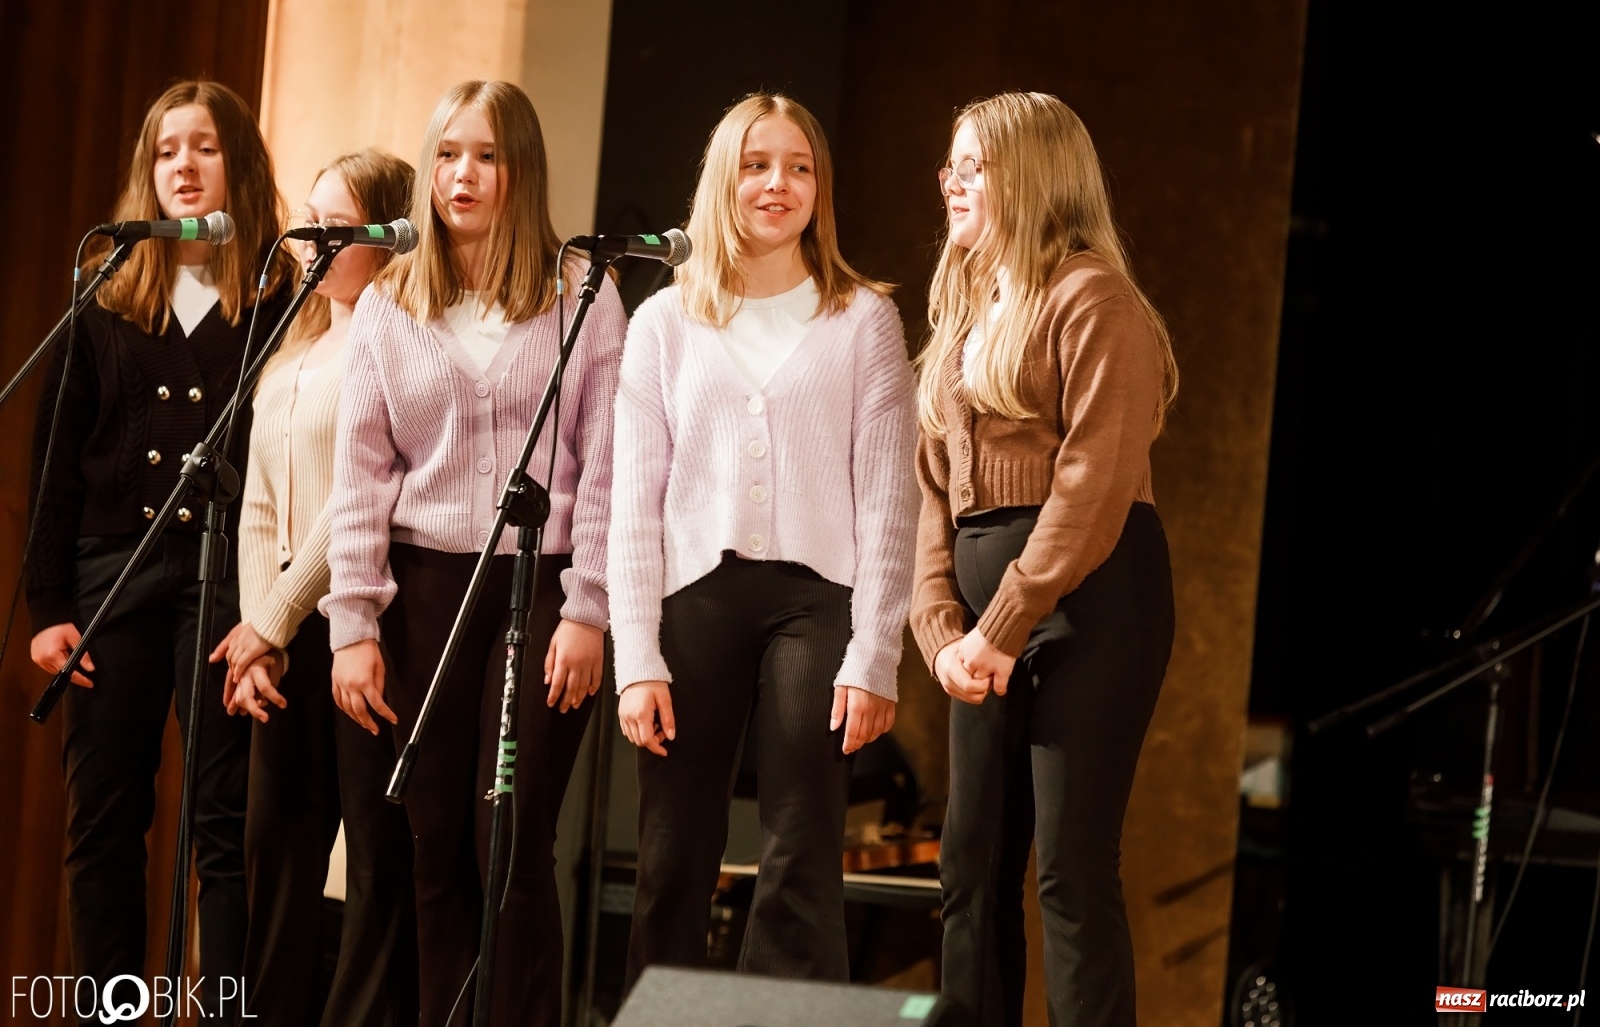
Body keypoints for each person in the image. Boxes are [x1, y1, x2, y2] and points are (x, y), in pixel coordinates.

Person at [319, 80, 625, 1027]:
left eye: (487, 156)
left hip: (541, 589)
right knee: (434, 847)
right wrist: (352, 624)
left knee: (512, 845)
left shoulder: (584, 297)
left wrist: (588, 607)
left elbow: (611, 465)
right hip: (422, 590)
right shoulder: (389, 303)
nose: (463, 174)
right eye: (448, 153)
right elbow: (360, 477)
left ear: (520, 170)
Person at [610, 93, 918, 983]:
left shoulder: (863, 320)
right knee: (673, 853)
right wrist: (636, 657)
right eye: (756, 165)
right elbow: (635, 501)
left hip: (819, 603)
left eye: (799, 167)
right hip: (693, 599)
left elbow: (890, 501)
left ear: (820, 187)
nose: (777, 184)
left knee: (802, 845)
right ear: (724, 179)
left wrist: (876, 654)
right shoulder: (664, 322)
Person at [909, 91, 1180, 1027]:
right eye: (950, 166)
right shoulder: (962, 316)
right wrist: (940, 631)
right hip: (986, 630)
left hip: (1090, 604)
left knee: (1069, 869)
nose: (952, 183)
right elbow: (935, 500)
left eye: (974, 166)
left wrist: (1002, 623)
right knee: (969, 864)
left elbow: (1092, 488)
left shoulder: (1091, 296)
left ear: (1032, 177)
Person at [26, 79, 296, 1014]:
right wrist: (48, 608)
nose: (183, 166)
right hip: (111, 577)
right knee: (103, 817)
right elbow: (54, 463)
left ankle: (222, 1009)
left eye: (205, 147)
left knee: (222, 821)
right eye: (166, 150)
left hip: (224, 578)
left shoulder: (278, 300)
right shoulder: (105, 293)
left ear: (240, 167)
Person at [211, 147, 419, 1025]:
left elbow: (360, 498)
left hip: (363, 625)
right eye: (312, 220)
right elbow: (260, 502)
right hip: (286, 639)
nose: (314, 239)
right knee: (276, 852)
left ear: (391, 238)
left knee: (375, 858)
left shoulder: (399, 342)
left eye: (340, 225)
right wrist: (263, 636)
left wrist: (275, 618)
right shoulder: (291, 350)